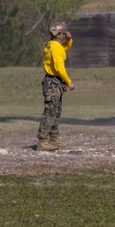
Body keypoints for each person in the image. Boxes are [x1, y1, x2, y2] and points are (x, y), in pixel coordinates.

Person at [36, 21, 75, 151]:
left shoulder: (51, 45)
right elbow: (59, 68)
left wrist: (69, 40)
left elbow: (64, 49)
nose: (65, 34)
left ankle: (54, 137)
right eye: (63, 33)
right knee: (50, 112)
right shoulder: (55, 47)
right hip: (53, 82)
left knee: (56, 111)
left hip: (53, 82)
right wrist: (69, 81)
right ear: (58, 34)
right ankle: (42, 140)